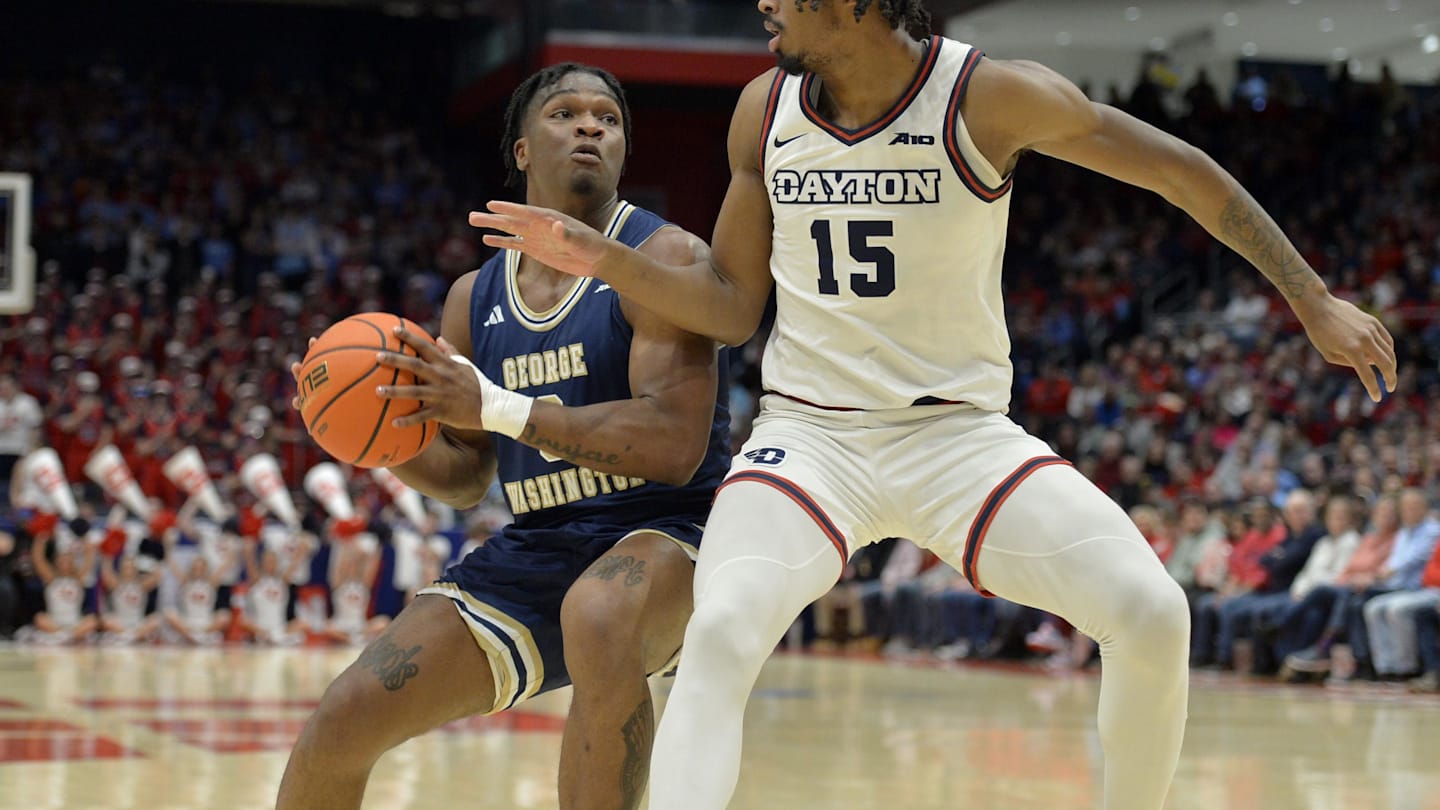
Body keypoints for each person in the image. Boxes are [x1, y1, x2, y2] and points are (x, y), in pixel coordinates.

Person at [472, 1, 1398, 805]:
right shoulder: (765, 110)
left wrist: (1310, 296)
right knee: (718, 633)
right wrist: (603, 260)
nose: (764, 6)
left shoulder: (990, 96)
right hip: (811, 437)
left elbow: (1179, 167)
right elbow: (730, 304)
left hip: (958, 436)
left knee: (1154, 612)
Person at [277, 63, 730, 810]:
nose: (591, 126)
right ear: (521, 151)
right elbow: (465, 477)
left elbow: (673, 443)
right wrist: (371, 438)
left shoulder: (665, 257)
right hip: (542, 543)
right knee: (344, 718)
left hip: (672, 532)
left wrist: (498, 407)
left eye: (607, 118)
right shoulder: (474, 297)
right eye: (565, 113)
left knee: (600, 612)